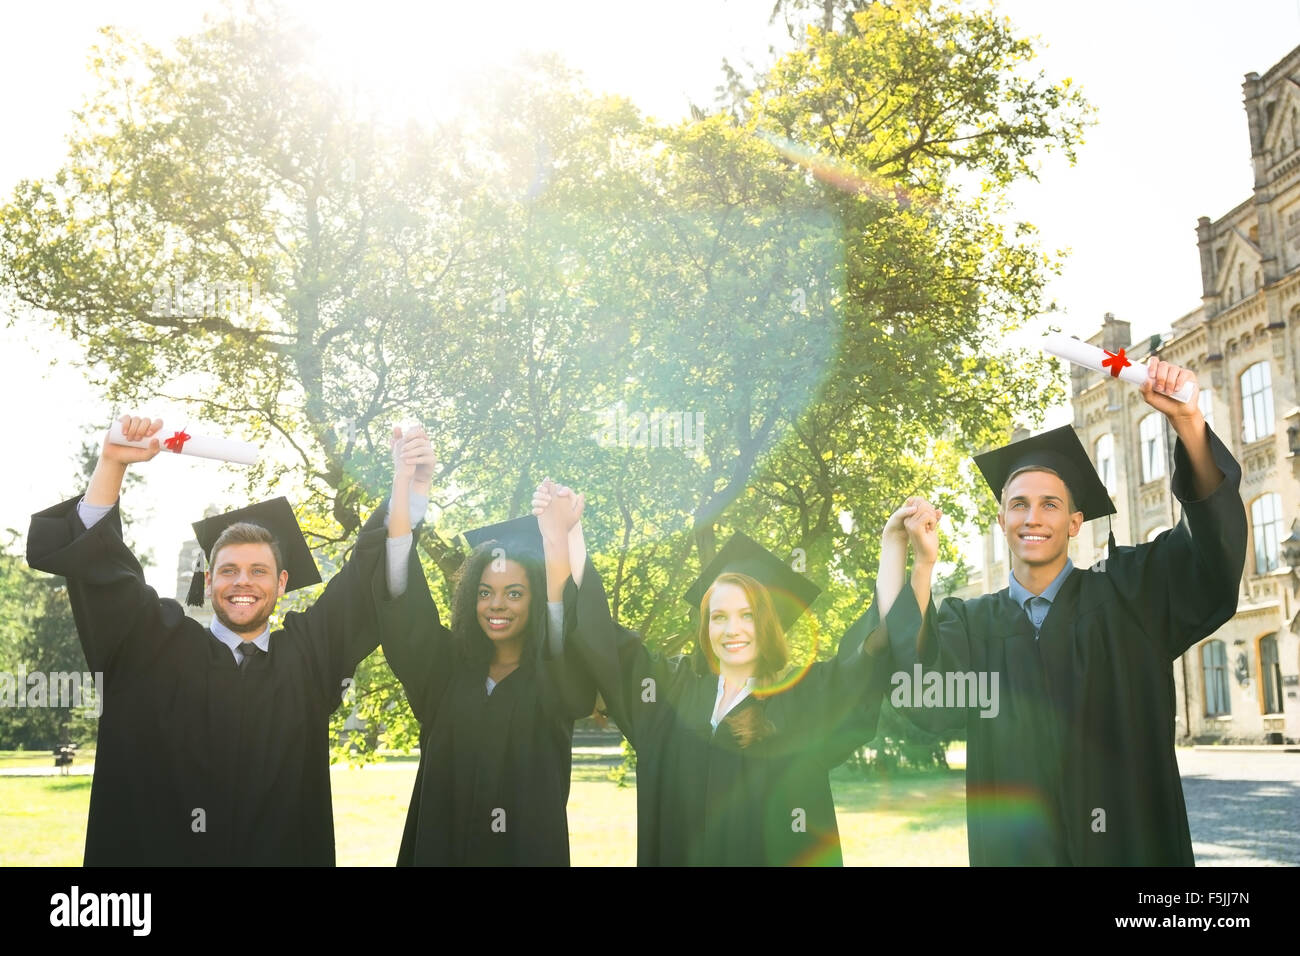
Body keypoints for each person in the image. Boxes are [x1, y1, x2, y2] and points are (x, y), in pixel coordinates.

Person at [872, 357, 1246, 865]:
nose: (1033, 517)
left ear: (1074, 523)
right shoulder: (973, 627)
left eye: (1050, 504)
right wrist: (913, 560)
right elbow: (921, 694)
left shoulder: (1131, 599)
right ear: (1001, 519)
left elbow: (1210, 558)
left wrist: (1187, 423)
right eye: (1019, 504)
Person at [26, 414, 407, 865]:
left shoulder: (309, 658)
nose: (242, 582)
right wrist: (112, 464)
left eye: (258, 571)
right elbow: (105, 575)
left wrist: (405, 486)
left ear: (282, 583)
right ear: (208, 583)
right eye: (228, 570)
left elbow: (364, 583)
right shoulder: (155, 648)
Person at [534, 480, 892, 866]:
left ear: (768, 625)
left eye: (747, 616)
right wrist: (570, 534)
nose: (731, 629)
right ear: (705, 626)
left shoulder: (803, 701)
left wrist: (895, 549)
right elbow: (605, 641)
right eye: (718, 616)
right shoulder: (670, 694)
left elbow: (869, 656)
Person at [378, 429, 595, 865]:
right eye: (484, 592)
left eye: (515, 593)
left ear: (535, 599)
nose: (496, 605)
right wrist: (405, 485)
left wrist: (560, 537)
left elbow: (562, 616)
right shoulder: (444, 672)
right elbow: (401, 598)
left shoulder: (553, 682)